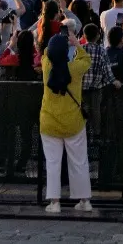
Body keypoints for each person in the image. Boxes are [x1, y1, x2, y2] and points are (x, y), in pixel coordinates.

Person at [38, 32, 93, 214]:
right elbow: (86, 59)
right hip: (73, 121)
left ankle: (55, 203)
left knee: (53, 164)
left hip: (49, 121)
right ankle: (84, 200)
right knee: (79, 161)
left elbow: (46, 52)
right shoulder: (75, 69)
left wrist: (55, 40)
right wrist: (75, 42)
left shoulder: (46, 67)